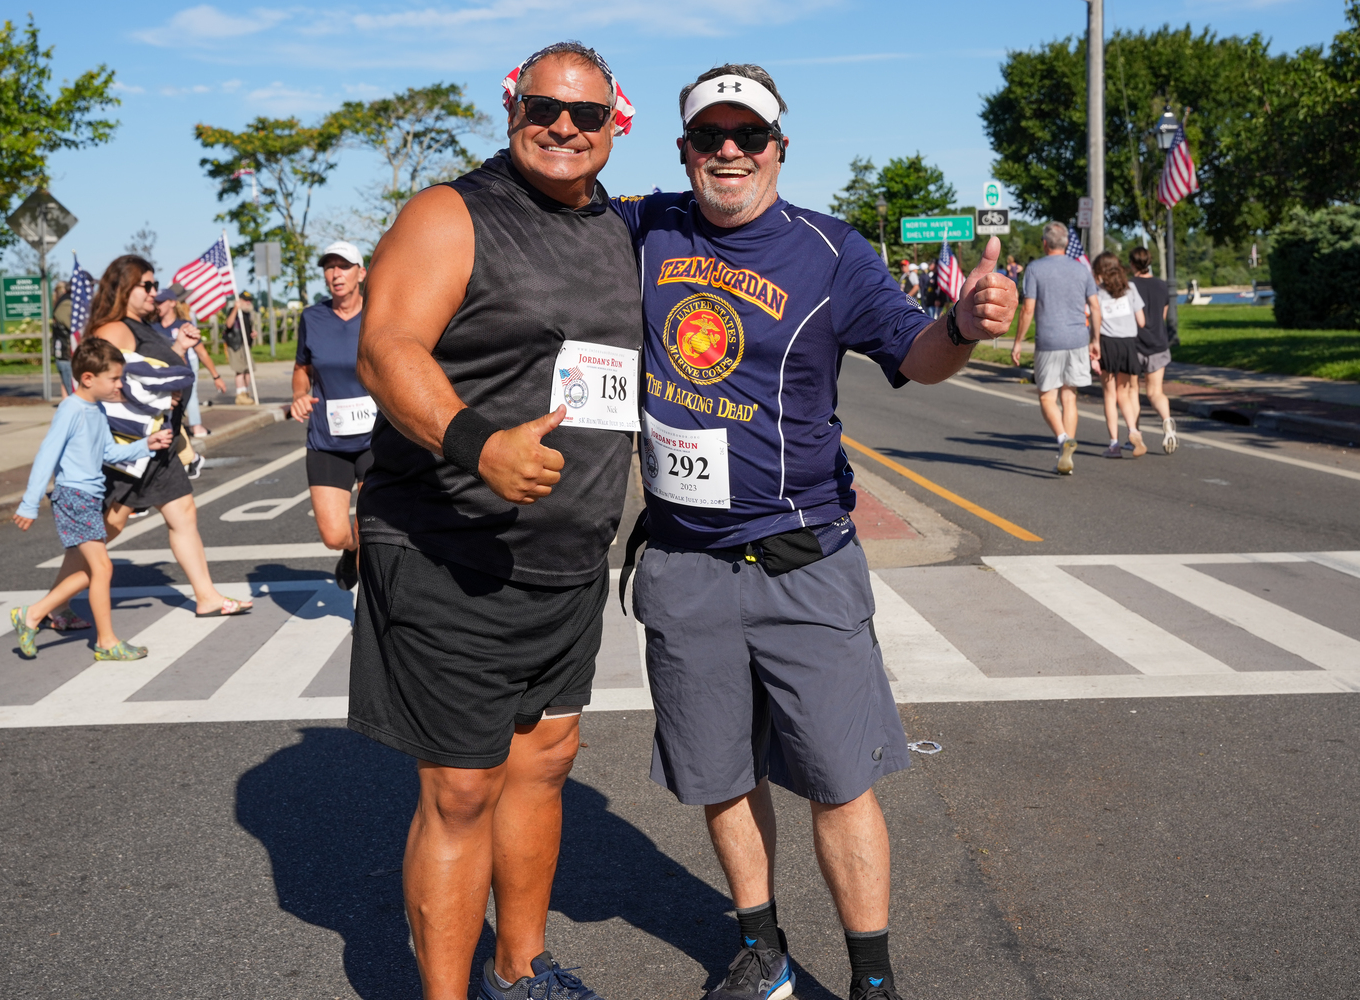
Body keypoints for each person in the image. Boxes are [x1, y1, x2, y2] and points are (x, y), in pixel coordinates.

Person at [612, 63, 1018, 1000]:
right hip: (684, 560)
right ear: (683, 150)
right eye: (709, 135)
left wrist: (961, 322)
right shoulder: (639, 227)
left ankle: (871, 977)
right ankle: (762, 949)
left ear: (779, 150)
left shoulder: (830, 253)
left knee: (840, 780)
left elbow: (915, 355)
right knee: (719, 772)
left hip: (803, 560)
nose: (728, 151)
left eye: (747, 136)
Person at [350, 40, 640, 1000]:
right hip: (446, 544)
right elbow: (386, 347)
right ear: (511, 104)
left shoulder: (619, 228)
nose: (564, 126)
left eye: (586, 114)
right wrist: (476, 443)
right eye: (545, 107)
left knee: (546, 763)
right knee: (462, 787)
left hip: (567, 556)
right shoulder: (452, 213)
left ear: (615, 122)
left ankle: (522, 969)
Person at [83, 255, 252, 618]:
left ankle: (206, 596)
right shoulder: (115, 330)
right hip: (131, 449)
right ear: (125, 288)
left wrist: (179, 348)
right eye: (147, 285)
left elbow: (149, 372)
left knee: (183, 514)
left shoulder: (139, 326)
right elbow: (106, 385)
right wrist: (159, 396)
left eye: (154, 285)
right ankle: (49, 605)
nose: (154, 293)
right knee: (107, 529)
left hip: (160, 446)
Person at [9, 338, 174, 661]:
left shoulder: (96, 410)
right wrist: (29, 503)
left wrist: (146, 444)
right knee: (102, 567)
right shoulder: (71, 409)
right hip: (73, 496)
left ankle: (35, 614)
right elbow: (47, 455)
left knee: (90, 569)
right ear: (88, 378)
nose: (119, 384)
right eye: (114, 378)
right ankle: (106, 641)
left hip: (88, 496)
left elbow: (108, 452)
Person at [290, 240, 371, 592]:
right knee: (335, 534)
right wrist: (298, 395)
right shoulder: (313, 317)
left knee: (370, 529)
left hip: (376, 439)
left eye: (344, 266)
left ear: (361, 273)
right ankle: (348, 551)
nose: (336, 274)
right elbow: (302, 368)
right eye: (329, 266)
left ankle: (365, 616)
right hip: (327, 439)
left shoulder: (379, 312)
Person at [1011, 222, 1102, 475]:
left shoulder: (1035, 269)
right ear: (1065, 244)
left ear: (1044, 243)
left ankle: (1063, 439)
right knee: (1069, 396)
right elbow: (1095, 307)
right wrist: (1096, 340)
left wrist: (1018, 342)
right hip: (1077, 339)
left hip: (1049, 341)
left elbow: (1028, 309)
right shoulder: (1082, 270)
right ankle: (1066, 450)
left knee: (1047, 396)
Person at [1091, 251, 1147, 459]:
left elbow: (1095, 319)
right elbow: (1141, 321)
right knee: (1124, 392)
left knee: (1109, 394)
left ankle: (1114, 445)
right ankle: (1133, 431)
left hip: (1108, 343)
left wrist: (1094, 342)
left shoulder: (1097, 292)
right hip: (1128, 344)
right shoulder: (1130, 289)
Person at [153, 283, 226, 438]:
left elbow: (202, 353)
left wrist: (216, 376)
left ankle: (196, 426)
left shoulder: (183, 325)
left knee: (190, 396)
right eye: (155, 302)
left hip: (182, 372)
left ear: (172, 303)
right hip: (161, 375)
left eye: (161, 302)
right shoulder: (152, 327)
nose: (157, 306)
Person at [1128, 246, 1177, 454]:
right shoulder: (1162, 285)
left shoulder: (1129, 286)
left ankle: (1136, 434)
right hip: (1158, 343)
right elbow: (1163, 315)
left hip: (1135, 344)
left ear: (1132, 264)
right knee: (1155, 392)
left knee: (1132, 391)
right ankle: (1167, 421)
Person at [222, 292, 258, 405]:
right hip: (235, 344)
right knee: (240, 370)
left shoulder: (247, 314)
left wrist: (252, 333)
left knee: (248, 370)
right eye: (246, 300)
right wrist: (235, 309)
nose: (248, 303)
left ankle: (245, 392)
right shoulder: (233, 311)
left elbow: (247, 329)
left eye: (249, 300)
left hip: (245, 344)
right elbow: (229, 324)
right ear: (240, 301)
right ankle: (240, 394)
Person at [51, 280, 76, 398]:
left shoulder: (60, 303)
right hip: (66, 353)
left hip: (63, 352)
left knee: (67, 388)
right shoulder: (66, 305)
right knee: (73, 392)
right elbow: (75, 328)